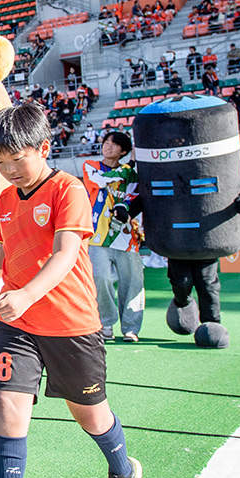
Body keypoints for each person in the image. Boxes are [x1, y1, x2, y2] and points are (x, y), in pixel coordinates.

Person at [0, 104, 141, 478]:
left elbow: (66, 254)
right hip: (17, 325)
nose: (8, 170)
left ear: (44, 148)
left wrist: (26, 294)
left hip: (72, 325)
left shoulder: (69, 189)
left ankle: (123, 472)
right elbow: (1, 259)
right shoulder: (5, 200)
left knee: (90, 414)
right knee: (6, 410)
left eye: (16, 159)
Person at [82, 132, 144, 343]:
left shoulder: (131, 174)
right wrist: (129, 167)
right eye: (106, 142)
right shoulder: (91, 166)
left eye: (114, 144)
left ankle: (131, 328)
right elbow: (99, 181)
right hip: (96, 235)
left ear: (123, 151)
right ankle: (106, 324)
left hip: (125, 236)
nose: (107, 146)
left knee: (132, 281)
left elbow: (135, 195)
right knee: (101, 278)